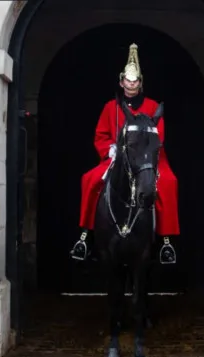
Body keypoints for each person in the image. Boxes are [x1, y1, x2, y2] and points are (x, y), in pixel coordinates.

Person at [70, 43, 180, 265]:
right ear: (121, 82)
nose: (131, 85)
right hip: (118, 157)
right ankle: (86, 235)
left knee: (168, 182)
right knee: (89, 180)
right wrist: (110, 148)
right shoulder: (111, 107)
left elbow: (159, 135)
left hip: (148, 157)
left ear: (140, 83)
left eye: (135, 81)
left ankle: (166, 240)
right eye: (128, 81)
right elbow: (101, 134)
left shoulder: (151, 106)